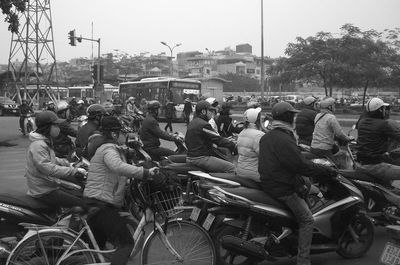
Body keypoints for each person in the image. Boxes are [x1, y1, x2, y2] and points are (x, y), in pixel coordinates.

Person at [258, 102, 335, 265]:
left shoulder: (267, 137)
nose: (294, 118)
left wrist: (304, 155)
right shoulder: (284, 138)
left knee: (307, 187)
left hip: (269, 184)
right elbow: (299, 166)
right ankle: (303, 260)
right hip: (283, 188)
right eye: (292, 115)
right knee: (307, 219)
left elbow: (290, 158)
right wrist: (324, 170)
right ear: (287, 117)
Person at [84, 115, 160, 265]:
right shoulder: (108, 149)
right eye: (122, 133)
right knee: (126, 243)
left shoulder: (111, 148)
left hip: (96, 201)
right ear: (114, 134)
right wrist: (145, 173)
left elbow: (121, 159)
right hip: (101, 204)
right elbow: (117, 166)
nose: (125, 136)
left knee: (97, 248)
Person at [25, 111, 86, 208]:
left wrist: (68, 163)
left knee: (77, 193)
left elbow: (51, 159)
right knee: (82, 204)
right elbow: (48, 168)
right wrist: (73, 171)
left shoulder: (44, 141)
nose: (58, 128)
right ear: (47, 127)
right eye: (55, 125)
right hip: (43, 190)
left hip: (48, 185)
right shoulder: (38, 145)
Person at [185, 100, 237, 173]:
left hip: (192, 156)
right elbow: (218, 140)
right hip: (201, 158)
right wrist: (233, 145)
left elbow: (213, 137)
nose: (212, 113)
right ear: (203, 112)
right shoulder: (204, 125)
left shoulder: (194, 122)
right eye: (210, 111)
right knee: (232, 168)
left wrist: (226, 140)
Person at [356, 97, 400, 182]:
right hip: (375, 165)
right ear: (380, 110)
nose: (385, 110)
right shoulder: (383, 124)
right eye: (383, 108)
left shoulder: (362, 122)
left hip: (362, 162)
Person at [310, 97, 352, 163]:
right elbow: (339, 133)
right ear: (329, 107)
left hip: (313, 147)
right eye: (333, 105)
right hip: (324, 149)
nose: (335, 106)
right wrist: (348, 138)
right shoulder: (331, 117)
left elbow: (324, 130)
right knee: (337, 164)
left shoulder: (317, 116)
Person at [236, 107, 265, 181]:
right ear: (257, 120)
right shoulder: (259, 135)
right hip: (254, 173)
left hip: (240, 170)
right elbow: (265, 156)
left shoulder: (242, 133)